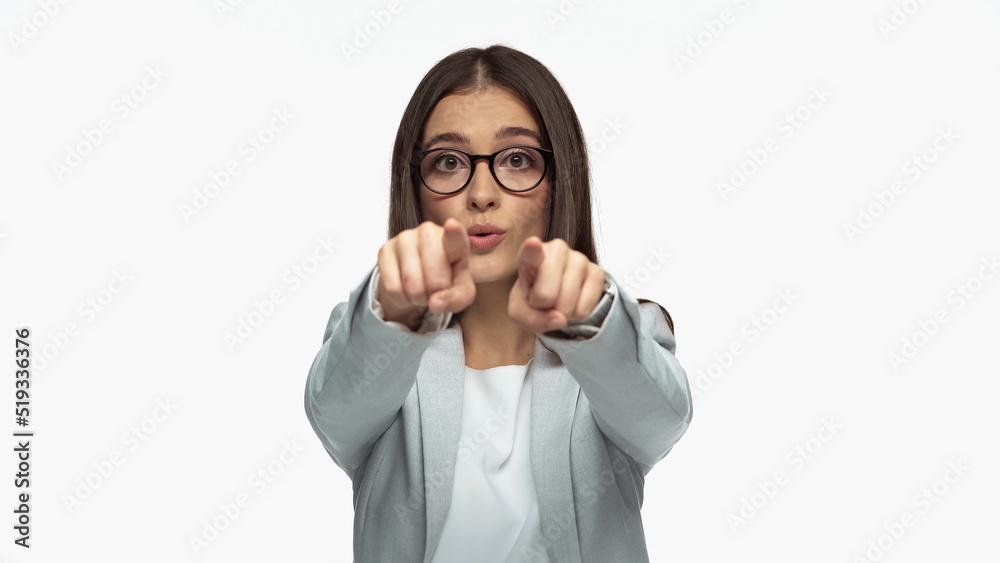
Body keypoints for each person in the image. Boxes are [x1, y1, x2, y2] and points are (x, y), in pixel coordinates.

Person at [303, 44, 693, 563]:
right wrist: (394, 313)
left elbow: (658, 417)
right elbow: (335, 409)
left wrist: (590, 321)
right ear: (415, 189)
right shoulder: (378, 342)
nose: (482, 193)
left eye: (516, 159)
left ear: (559, 183)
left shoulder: (624, 336)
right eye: (447, 162)